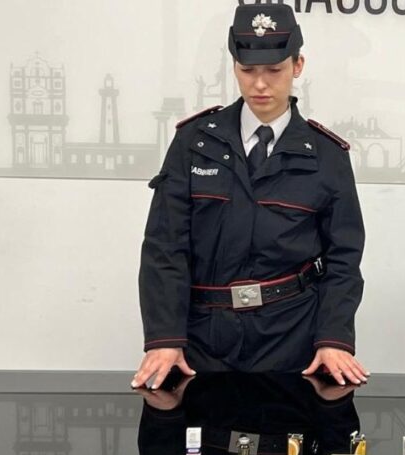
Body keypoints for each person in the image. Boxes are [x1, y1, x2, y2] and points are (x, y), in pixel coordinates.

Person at [133, 4, 367, 390]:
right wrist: (164, 338)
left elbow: (343, 257)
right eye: (248, 70)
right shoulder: (194, 143)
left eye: (274, 70)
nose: (260, 84)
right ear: (234, 67)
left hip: (293, 336)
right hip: (202, 339)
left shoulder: (327, 155)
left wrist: (333, 338)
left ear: (298, 66)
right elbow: (165, 246)